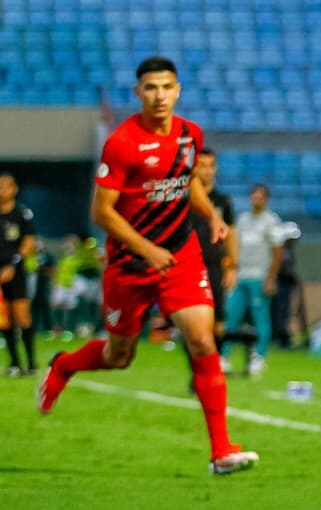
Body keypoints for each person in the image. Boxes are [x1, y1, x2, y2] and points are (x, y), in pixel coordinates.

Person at [37, 56, 258, 475]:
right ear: (138, 93)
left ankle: (221, 450)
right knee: (119, 356)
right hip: (129, 265)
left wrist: (211, 215)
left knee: (203, 341)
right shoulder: (122, 142)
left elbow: (186, 180)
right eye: (151, 88)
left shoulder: (190, 134)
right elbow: (102, 212)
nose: (159, 96)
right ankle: (64, 365)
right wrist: (146, 249)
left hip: (180, 255)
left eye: (167, 87)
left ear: (178, 91)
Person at [189, 148, 238, 382]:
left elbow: (231, 234)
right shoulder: (184, 199)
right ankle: (197, 373)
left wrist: (232, 266)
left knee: (218, 324)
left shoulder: (223, 201)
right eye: (202, 165)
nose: (207, 171)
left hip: (215, 266)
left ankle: (212, 368)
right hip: (188, 266)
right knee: (192, 325)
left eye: (211, 166)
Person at [224, 184, 283, 377]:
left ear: (266, 199)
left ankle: (259, 357)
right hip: (241, 275)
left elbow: (277, 252)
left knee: (260, 319)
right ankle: (223, 355)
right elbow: (233, 245)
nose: (256, 200)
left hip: (259, 276)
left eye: (260, 197)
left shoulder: (271, 221)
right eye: (253, 196)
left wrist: (271, 277)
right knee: (231, 315)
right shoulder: (242, 220)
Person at [0, 172, 39, 375]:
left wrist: (13, 264)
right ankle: (15, 363)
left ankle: (31, 363)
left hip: (16, 271)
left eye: (6, 186)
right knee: (4, 319)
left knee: (22, 316)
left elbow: (29, 242)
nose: (2, 190)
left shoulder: (22, 214)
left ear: (14, 189)